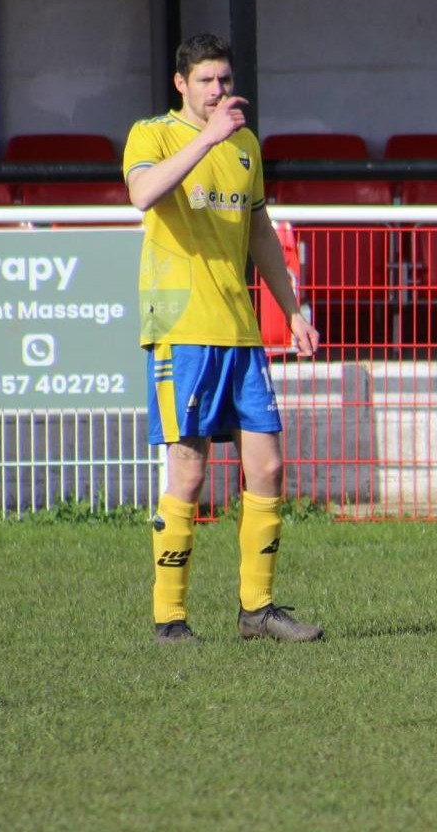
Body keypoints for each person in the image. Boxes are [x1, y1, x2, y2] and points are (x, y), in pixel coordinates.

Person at [123, 34, 323, 644]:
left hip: (240, 331)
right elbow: (142, 194)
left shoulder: (245, 146)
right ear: (181, 84)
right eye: (207, 81)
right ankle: (169, 618)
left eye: (226, 81)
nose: (219, 92)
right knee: (188, 473)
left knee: (269, 465)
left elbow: (259, 229)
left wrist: (291, 310)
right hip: (181, 330)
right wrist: (205, 139)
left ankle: (256, 610)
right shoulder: (151, 134)